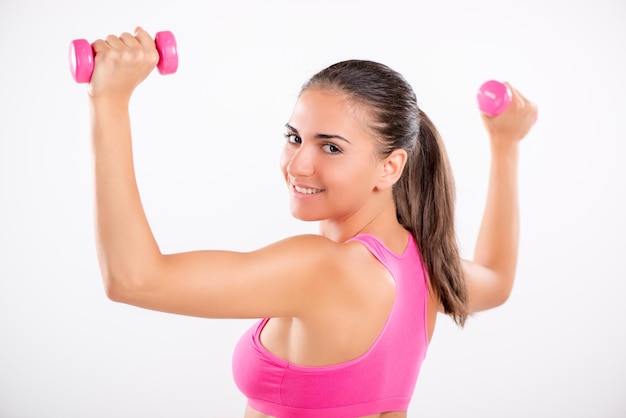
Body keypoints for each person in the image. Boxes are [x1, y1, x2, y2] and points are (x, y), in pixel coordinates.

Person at [87, 27, 537, 418]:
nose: (298, 165)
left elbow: (134, 280)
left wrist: (109, 101)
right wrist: (506, 144)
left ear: (390, 167)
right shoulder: (425, 266)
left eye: (331, 147)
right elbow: (496, 279)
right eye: (294, 138)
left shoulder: (324, 267)